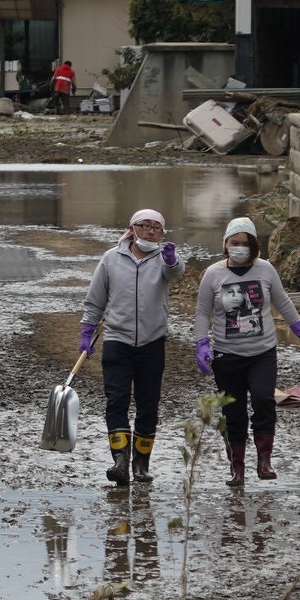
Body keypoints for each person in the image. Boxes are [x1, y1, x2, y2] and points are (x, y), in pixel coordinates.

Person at [193, 216, 300, 485]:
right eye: (234, 242)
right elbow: (202, 312)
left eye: (245, 243)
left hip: (262, 353)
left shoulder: (265, 269)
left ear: (254, 245)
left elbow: (283, 303)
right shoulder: (213, 274)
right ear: (225, 243)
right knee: (233, 412)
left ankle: (264, 461)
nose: (239, 248)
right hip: (227, 355)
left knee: (263, 400)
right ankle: (237, 468)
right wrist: (201, 343)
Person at [79, 208, 183, 486]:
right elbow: (95, 299)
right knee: (117, 399)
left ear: (161, 233)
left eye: (156, 228)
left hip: (152, 342)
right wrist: (87, 330)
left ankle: (141, 464)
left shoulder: (164, 260)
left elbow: (176, 272)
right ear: (132, 228)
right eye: (144, 226)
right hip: (117, 341)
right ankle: (120, 461)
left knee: (148, 404)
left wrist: (172, 259)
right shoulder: (111, 259)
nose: (150, 231)